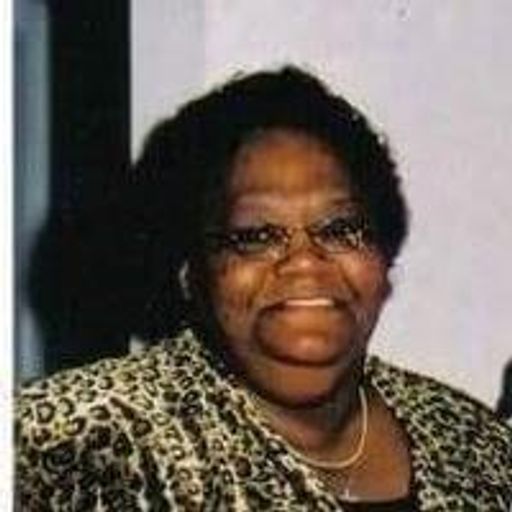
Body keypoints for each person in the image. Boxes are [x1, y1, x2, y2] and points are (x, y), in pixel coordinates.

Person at [15, 67, 511, 510]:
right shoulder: (76, 438)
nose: (306, 261)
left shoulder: (474, 444)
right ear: (191, 272)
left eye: (341, 229)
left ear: (383, 261)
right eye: (255, 236)